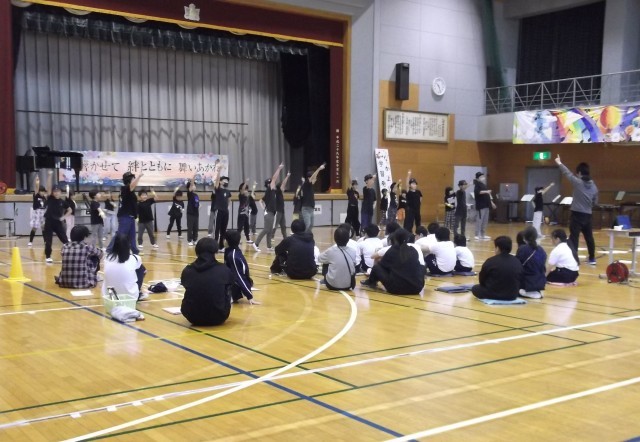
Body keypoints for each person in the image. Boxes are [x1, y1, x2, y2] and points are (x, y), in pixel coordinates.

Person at [555, 155, 598, 265]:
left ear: (579, 173)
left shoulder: (578, 182)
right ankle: (592, 258)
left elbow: (567, 173)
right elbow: (595, 202)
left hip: (577, 215)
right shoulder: (594, 187)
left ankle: (574, 259)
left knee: (574, 237)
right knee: (589, 237)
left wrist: (559, 163)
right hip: (588, 216)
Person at [180, 237, 234, 326]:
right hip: (219, 316)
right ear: (215, 251)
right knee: (227, 288)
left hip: (191, 316)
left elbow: (185, 285)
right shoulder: (224, 269)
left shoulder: (188, 270)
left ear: (197, 251)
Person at [360, 228, 425, 295]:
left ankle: (371, 282)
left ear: (394, 238)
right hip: (417, 288)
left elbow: (382, 266)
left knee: (377, 267)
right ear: (408, 238)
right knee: (421, 266)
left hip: (396, 288)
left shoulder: (393, 250)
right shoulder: (413, 250)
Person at [471, 236, 523, 301]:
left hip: (493, 294)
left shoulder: (491, 261)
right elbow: (520, 278)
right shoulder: (517, 261)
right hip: (512, 295)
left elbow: (482, 280)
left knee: (475, 288)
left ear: (497, 248)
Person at [102, 232, 147, 301]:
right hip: (131, 297)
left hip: (110, 297)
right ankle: (137, 293)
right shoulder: (135, 258)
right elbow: (143, 271)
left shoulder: (107, 258)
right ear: (129, 245)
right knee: (142, 269)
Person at [253, 163, 284, 252]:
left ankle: (269, 246)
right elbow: (274, 178)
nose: (273, 183)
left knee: (270, 230)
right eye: (271, 183)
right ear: (269, 184)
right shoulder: (270, 189)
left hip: (271, 212)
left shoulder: (271, 192)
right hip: (269, 212)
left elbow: (260, 200)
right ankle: (256, 243)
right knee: (266, 229)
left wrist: (263, 208)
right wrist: (279, 169)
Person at [224, 230, 259, 304]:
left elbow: (239, 276)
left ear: (227, 241)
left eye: (225, 239)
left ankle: (231, 295)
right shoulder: (230, 251)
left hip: (235, 286)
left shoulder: (233, 256)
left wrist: (249, 296)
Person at [113, 171, 143, 254]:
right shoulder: (125, 188)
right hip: (125, 216)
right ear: (129, 179)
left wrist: (136, 216)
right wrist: (139, 176)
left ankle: (135, 251)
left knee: (132, 235)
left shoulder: (128, 190)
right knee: (121, 235)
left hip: (130, 216)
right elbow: (132, 186)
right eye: (133, 178)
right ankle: (110, 250)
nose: (134, 179)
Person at [318, 226, 357, 290]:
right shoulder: (353, 251)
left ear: (335, 239)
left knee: (326, 262)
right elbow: (354, 264)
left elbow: (319, 258)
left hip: (331, 285)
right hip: (349, 285)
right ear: (348, 239)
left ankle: (325, 280)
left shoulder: (331, 251)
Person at [43, 175, 71, 263]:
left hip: (58, 223)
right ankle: (48, 256)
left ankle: (69, 254)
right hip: (49, 222)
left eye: (58, 191)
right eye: (54, 191)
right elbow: (48, 187)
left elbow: (70, 210)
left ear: (60, 192)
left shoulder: (62, 202)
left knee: (65, 240)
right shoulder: (49, 198)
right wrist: (49, 176)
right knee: (48, 241)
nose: (56, 193)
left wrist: (63, 217)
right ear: (52, 193)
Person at [516, 226, 547, 298]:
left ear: (524, 237)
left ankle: (525, 291)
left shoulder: (523, 248)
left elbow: (517, 265)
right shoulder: (541, 250)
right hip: (540, 281)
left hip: (527, 281)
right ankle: (533, 291)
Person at [300, 163, 326, 232]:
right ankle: (303, 236)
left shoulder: (310, 186)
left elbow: (313, 177)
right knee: (307, 224)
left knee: (311, 225)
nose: (316, 179)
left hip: (311, 209)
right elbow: (313, 177)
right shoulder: (306, 184)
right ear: (309, 178)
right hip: (306, 209)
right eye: (315, 178)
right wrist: (319, 169)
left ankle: (307, 236)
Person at [473, 171, 495, 241]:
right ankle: (477, 234)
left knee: (485, 220)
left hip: (486, 205)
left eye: (483, 176)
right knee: (479, 220)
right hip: (481, 205)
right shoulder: (477, 184)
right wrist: (486, 191)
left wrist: (491, 202)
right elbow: (478, 192)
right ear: (477, 178)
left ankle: (483, 234)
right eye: (481, 177)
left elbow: (487, 195)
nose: (483, 177)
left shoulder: (483, 185)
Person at [214, 170, 232, 250]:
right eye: (224, 180)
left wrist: (227, 207)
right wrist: (219, 171)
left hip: (225, 212)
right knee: (217, 229)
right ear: (220, 182)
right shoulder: (218, 190)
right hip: (219, 211)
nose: (226, 182)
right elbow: (216, 182)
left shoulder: (228, 191)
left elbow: (229, 200)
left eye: (227, 181)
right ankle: (214, 246)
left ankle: (221, 246)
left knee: (223, 230)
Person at [28, 176, 47, 247]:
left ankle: (45, 241)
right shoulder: (36, 196)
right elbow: (36, 188)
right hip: (37, 212)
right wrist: (37, 182)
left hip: (43, 212)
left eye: (43, 191)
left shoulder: (44, 197)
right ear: (39, 191)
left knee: (43, 227)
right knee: (34, 227)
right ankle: (30, 241)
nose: (42, 192)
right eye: (41, 191)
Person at [274, 171, 291, 240]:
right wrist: (287, 176)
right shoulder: (278, 192)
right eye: (283, 187)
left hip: (282, 211)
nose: (284, 188)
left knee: (283, 226)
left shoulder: (280, 193)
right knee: (275, 226)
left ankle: (285, 238)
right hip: (278, 211)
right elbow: (283, 183)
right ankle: (271, 237)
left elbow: (283, 185)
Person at [186, 173, 200, 246]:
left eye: (195, 185)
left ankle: (195, 239)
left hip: (196, 213)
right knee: (190, 227)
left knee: (196, 227)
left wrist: (199, 207)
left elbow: (196, 204)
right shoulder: (189, 194)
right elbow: (191, 185)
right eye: (193, 185)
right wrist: (193, 177)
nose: (194, 186)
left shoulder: (196, 195)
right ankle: (189, 240)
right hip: (190, 213)